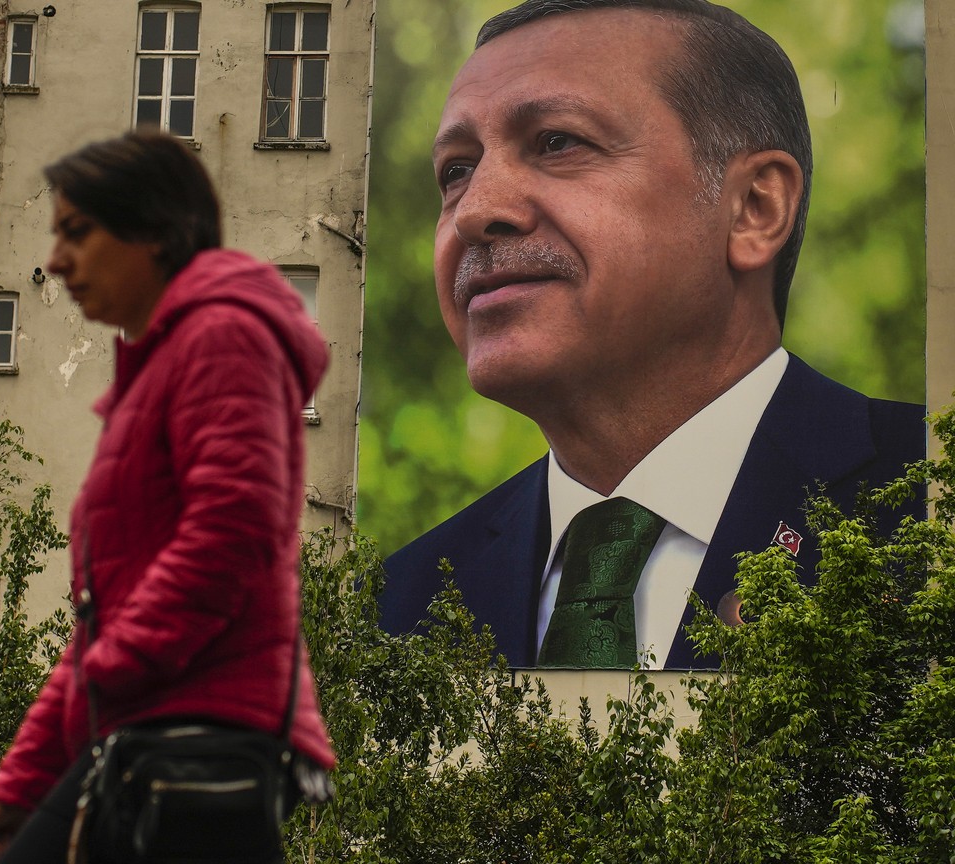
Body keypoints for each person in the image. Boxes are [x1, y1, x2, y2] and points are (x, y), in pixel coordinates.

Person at [379, 0, 925, 670]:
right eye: (456, 170)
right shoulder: (388, 616)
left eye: (557, 142)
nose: (475, 212)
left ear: (755, 208)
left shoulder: (933, 505)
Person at [0, 131, 336, 863]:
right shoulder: (164, 364)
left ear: (155, 232)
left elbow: (233, 528)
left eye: (77, 232)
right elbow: (104, 620)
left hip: (195, 739)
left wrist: (110, 670)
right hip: (149, 731)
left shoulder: (223, 337)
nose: (56, 259)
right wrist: (18, 789)